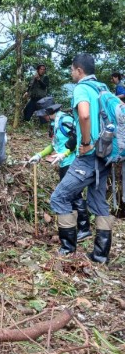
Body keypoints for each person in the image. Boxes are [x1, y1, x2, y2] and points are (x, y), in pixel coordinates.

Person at [50, 54, 115, 263]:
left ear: (79, 70)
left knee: (59, 198)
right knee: (99, 204)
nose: (71, 73)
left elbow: (84, 115)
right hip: (105, 154)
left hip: (88, 155)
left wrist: (86, 142)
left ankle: (67, 250)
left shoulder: (81, 89)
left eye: (71, 69)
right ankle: (100, 256)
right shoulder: (102, 88)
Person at [28, 96, 91, 242]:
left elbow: (77, 138)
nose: (42, 117)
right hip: (64, 163)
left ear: (48, 111)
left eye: (43, 114)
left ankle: (84, 229)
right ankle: (76, 227)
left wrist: (66, 153)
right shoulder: (55, 123)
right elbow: (55, 145)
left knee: (73, 194)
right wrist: (39, 155)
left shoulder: (65, 120)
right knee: (70, 195)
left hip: (72, 162)